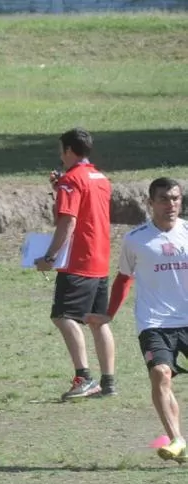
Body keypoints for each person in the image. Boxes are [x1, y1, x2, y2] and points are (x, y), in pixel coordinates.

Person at [86, 178, 188, 463]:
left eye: (176, 199)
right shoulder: (136, 239)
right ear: (150, 203)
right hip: (154, 322)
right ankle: (177, 439)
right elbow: (123, 279)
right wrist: (109, 314)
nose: (171, 205)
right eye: (164, 199)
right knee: (160, 374)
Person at [34, 127, 116, 400]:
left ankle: (84, 377)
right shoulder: (100, 177)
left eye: (61, 149)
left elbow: (68, 220)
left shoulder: (71, 180)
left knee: (63, 316)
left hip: (79, 260)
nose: (60, 154)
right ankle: (109, 382)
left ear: (68, 150)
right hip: (101, 258)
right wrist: (60, 186)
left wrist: (49, 257)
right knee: (97, 320)